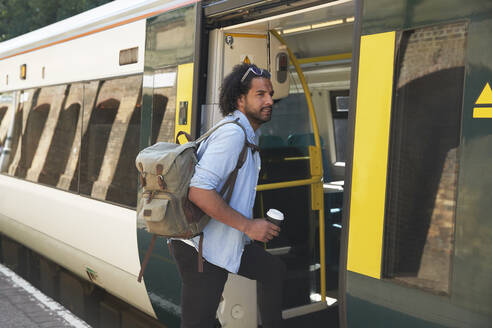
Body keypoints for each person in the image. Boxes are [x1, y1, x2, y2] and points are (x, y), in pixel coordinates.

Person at [169, 63, 286, 328]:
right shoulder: (232, 135)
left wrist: (248, 229)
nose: (269, 100)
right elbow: (199, 192)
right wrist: (248, 226)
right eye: (260, 94)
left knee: (273, 271)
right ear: (240, 99)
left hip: (224, 241)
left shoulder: (243, 133)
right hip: (201, 250)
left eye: (270, 94)